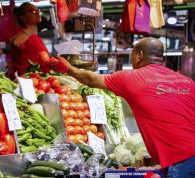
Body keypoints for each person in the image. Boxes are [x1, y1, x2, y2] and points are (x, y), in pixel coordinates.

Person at [48, 37, 195, 177]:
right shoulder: (188, 82)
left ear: (139, 55)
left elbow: (90, 79)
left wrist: (68, 68)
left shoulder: (131, 78)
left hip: (181, 161)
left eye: (132, 54)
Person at [9, 2, 51, 79]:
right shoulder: (19, 32)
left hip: (36, 80)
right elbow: (15, 42)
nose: (38, 13)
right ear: (23, 18)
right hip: (23, 81)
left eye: (38, 10)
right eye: (33, 11)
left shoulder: (34, 36)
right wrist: (35, 28)